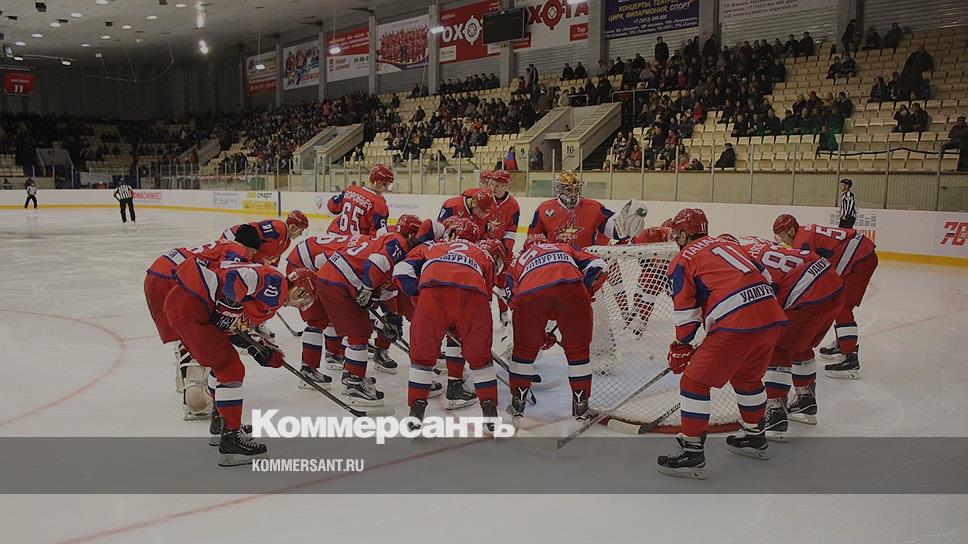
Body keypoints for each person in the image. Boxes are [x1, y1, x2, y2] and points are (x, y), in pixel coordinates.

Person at [657, 209, 787, 479]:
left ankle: (692, 452)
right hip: (770, 315)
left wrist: (681, 346)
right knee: (747, 378)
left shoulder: (683, 258)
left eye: (677, 234)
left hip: (737, 322)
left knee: (693, 382)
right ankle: (755, 435)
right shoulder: (729, 244)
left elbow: (686, 315)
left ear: (683, 234)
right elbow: (770, 281)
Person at [164, 253, 317, 466]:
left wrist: (259, 348)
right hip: (191, 306)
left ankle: (222, 423)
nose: (300, 304)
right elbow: (236, 278)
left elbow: (235, 327)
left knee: (222, 364)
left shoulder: (273, 293)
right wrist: (230, 304)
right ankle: (231, 440)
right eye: (304, 298)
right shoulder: (276, 284)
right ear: (300, 289)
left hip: (188, 303)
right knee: (230, 368)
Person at [144, 228, 262, 420]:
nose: (252, 257)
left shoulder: (222, 244)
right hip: (173, 278)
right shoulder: (237, 252)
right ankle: (195, 398)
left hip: (157, 272)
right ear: (247, 246)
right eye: (253, 252)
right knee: (198, 331)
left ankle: (182, 379)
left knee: (183, 330)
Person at [393, 226, 504, 429]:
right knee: (481, 359)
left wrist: (418, 296)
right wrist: (462, 322)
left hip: (433, 291)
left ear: (451, 234)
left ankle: (416, 410)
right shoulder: (483, 253)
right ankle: (490, 412)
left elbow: (401, 270)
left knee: (422, 358)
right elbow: (486, 298)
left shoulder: (430, 245)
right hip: (473, 294)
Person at [735, 236, 844, 439]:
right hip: (834, 285)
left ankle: (776, 412)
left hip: (809, 292)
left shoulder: (739, 262)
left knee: (779, 347)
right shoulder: (755, 245)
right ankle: (805, 400)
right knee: (801, 345)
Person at [504, 233, 605, 421]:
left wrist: (537, 335)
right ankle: (581, 407)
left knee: (524, 350)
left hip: (531, 294)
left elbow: (514, 300)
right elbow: (598, 264)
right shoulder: (563, 247)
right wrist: (585, 289)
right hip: (572, 289)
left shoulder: (518, 261)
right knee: (579, 352)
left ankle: (518, 404)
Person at [773, 215, 878, 380]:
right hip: (861, 254)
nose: (783, 241)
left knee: (843, 307)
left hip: (861, 259)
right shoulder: (804, 233)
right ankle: (843, 344)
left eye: (782, 236)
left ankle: (850, 357)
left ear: (791, 231)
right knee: (838, 301)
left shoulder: (802, 242)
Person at [314, 231, 413, 405]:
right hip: (338, 282)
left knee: (358, 331)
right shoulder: (398, 249)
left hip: (332, 277)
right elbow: (376, 263)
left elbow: (385, 289)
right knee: (359, 334)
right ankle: (355, 385)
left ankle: (350, 374)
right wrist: (367, 289)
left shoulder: (384, 243)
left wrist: (391, 317)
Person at [463, 170, 520, 324]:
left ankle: (503, 312)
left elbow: (511, 230)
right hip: (480, 246)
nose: (494, 188)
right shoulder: (483, 197)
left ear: (506, 186)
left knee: (502, 282)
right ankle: (479, 312)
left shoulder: (513, 205)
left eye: (498, 186)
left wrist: (505, 251)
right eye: (493, 184)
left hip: (499, 250)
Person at [528, 170, 626, 249]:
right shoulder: (544, 209)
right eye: (569, 190)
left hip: (587, 261)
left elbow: (616, 229)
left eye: (576, 190)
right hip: (559, 261)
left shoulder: (594, 207)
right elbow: (533, 239)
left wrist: (627, 226)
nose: (573, 194)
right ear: (559, 189)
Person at [221, 210, 308, 266]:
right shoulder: (279, 228)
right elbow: (251, 233)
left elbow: (272, 261)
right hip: (234, 238)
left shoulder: (286, 242)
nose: (301, 234)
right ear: (293, 227)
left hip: (241, 250)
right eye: (301, 230)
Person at [326, 164, 392, 235]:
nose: (386, 189)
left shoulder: (350, 190)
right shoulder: (379, 204)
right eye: (387, 185)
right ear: (379, 183)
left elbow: (331, 207)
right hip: (357, 241)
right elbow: (378, 236)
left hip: (336, 235)